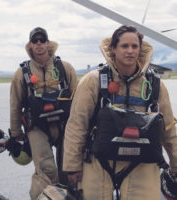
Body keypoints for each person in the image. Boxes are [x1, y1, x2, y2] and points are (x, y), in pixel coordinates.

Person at [63, 25, 177, 200]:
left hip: (142, 165)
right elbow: (77, 124)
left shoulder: (154, 85)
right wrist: (72, 165)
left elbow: (168, 128)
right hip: (98, 163)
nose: (130, 51)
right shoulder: (92, 81)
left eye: (134, 46)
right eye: (124, 46)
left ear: (140, 49)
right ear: (113, 49)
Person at [10, 27, 78, 200]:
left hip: (65, 126)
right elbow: (15, 104)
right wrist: (16, 133)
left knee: (68, 169)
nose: (39, 44)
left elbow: (79, 100)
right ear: (30, 45)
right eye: (35, 41)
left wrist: (83, 129)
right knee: (46, 169)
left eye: (42, 40)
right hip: (36, 128)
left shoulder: (65, 68)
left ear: (48, 43)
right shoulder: (21, 74)